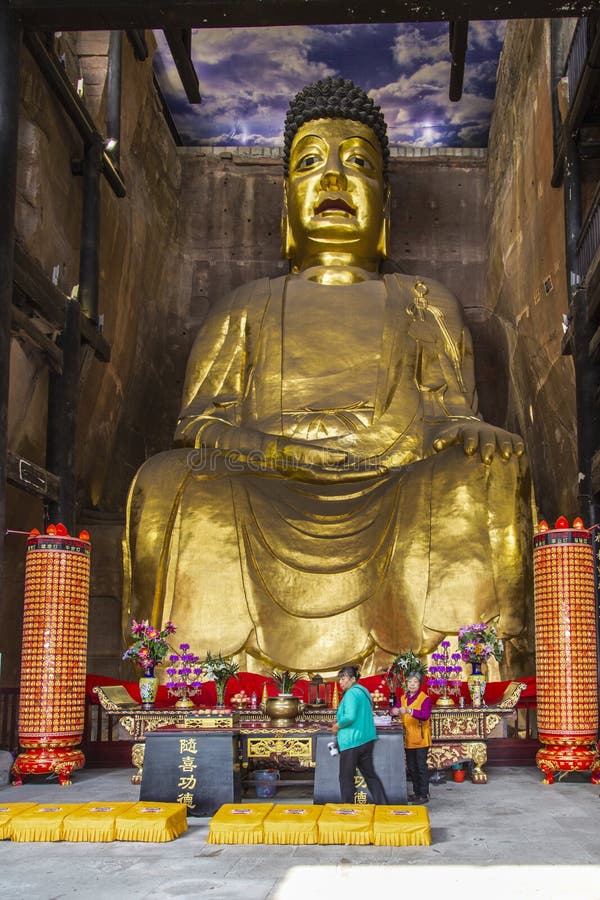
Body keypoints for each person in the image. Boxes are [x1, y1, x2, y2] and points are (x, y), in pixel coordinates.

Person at [123, 76, 532, 675]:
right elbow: (198, 424)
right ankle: (198, 678)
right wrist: (278, 453)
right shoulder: (247, 304)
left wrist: (469, 430)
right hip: (264, 478)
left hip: (395, 476)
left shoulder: (422, 300)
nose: (335, 179)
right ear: (285, 201)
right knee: (166, 478)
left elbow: (449, 414)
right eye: (311, 163)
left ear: (385, 204)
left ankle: (459, 674)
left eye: (359, 163)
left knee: (488, 471)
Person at [333, 665, 388, 804]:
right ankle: (383, 805)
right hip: (366, 739)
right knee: (370, 775)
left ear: (352, 679)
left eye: (343, 678)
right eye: (340, 679)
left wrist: (337, 725)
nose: (340, 682)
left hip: (352, 741)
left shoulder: (351, 693)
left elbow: (350, 716)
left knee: (346, 778)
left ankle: (348, 808)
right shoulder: (363, 691)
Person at [392, 672, 432, 803]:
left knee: (421, 767)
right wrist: (394, 711)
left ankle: (424, 795)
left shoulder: (424, 698)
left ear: (419, 684)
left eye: (415, 682)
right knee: (412, 768)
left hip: (421, 739)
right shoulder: (403, 698)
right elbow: (394, 709)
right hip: (408, 739)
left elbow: (425, 715)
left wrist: (409, 711)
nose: (412, 685)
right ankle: (416, 793)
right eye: (409, 682)